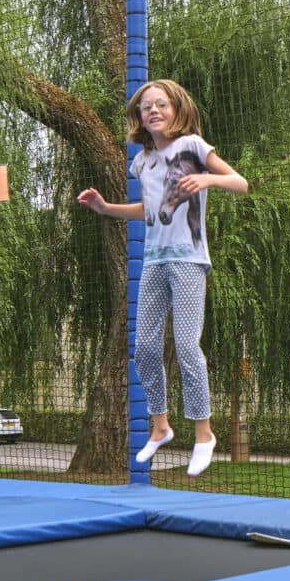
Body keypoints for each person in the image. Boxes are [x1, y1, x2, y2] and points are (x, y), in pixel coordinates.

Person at [77, 79, 249, 477]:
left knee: (188, 345)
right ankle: (161, 425)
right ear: (139, 117)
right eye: (145, 107)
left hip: (188, 260)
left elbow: (240, 183)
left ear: (177, 109)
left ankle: (204, 434)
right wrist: (106, 208)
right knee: (145, 349)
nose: (152, 111)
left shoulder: (193, 147)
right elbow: (148, 210)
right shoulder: (142, 161)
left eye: (161, 104)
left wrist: (207, 179)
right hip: (154, 263)